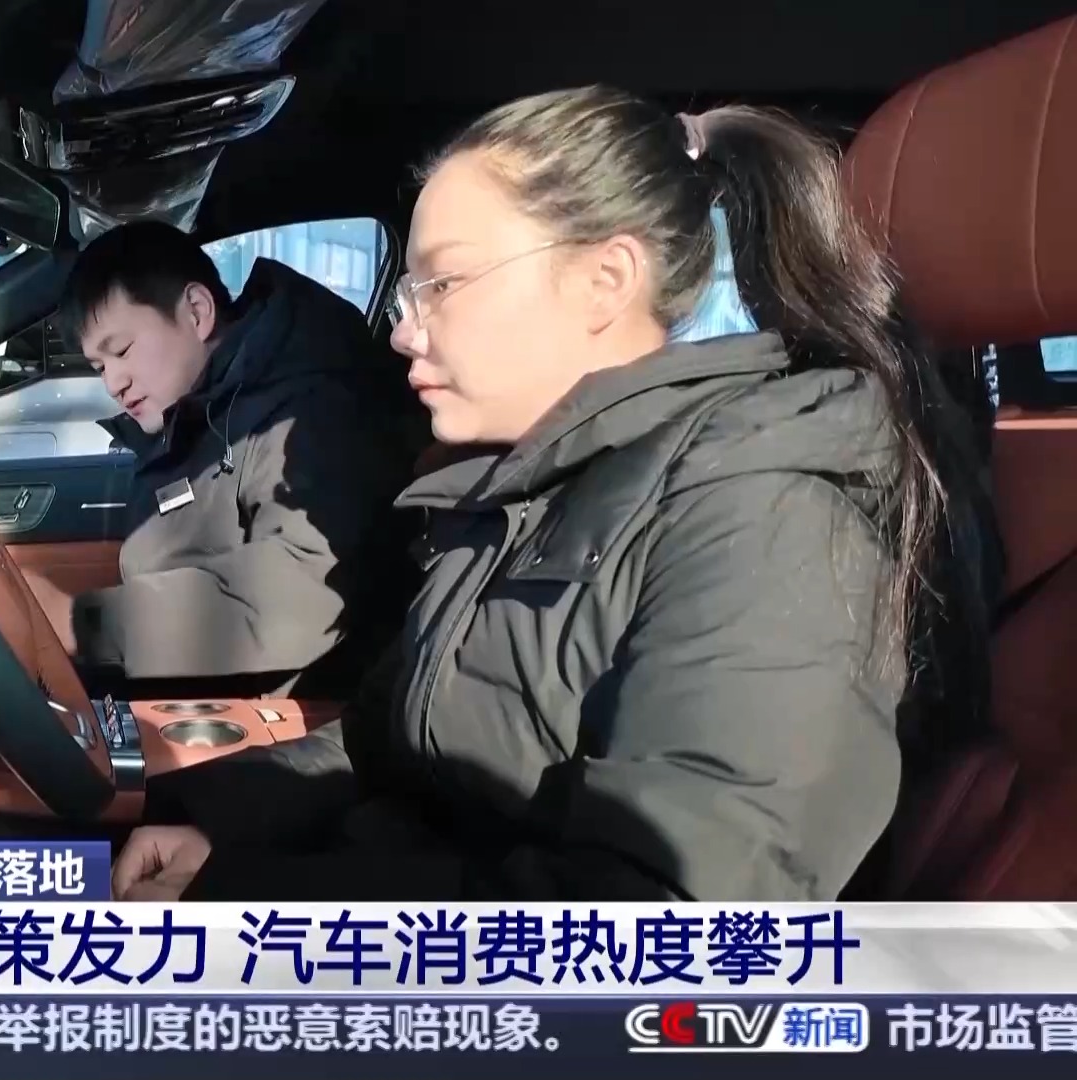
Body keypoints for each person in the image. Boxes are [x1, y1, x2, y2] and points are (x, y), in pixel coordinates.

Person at [114, 87, 997, 902]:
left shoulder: (764, 519)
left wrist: (239, 897)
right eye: (409, 291)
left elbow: (654, 928)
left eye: (442, 285)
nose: (403, 330)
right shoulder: (513, 501)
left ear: (604, 280)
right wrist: (215, 823)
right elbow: (382, 741)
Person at [28, 220, 429, 700]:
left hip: (296, 716)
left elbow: (306, 589)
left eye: (122, 350)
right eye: (100, 367)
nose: (114, 383)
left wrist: (87, 624)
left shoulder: (308, 413)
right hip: (192, 696)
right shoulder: (195, 416)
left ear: (197, 312)